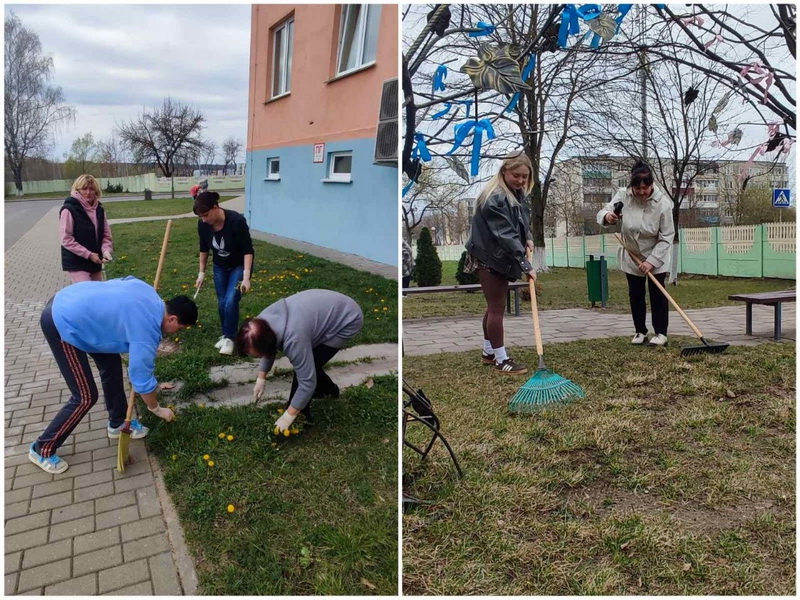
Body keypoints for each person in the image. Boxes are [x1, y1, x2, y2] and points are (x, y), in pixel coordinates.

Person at [29, 277, 198, 474]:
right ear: (172, 319)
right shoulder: (146, 332)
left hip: (74, 304)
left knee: (112, 366)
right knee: (85, 396)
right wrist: (156, 409)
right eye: (179, 328)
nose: (176, 332)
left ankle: (117, 423)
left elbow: (127, 280)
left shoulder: (149, 293)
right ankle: (42, 448)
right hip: (62, 321)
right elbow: (141, 379)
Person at [234, 289, 364, 432]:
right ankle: (328, 390)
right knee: (308, 364)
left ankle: (303, 416)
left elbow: (307, 382)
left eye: (258, 355)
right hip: (321, 309)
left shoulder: (294, 339)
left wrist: (288, 416)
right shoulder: (258, 326)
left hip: (347, 319)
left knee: (308, 367)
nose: (259, 358)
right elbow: (268, 349)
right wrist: (261, 377)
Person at [464, 151, 536, 375]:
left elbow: (521, 222)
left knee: (494, 306)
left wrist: (529, 238)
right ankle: (501, 359)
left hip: (498, 256)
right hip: (488, 257)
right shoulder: (494, 197)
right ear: (504, 171)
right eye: (516, 175)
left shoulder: (516, 193)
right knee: (497, 308)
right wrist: (525, 264)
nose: (521, 181)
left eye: (525, 177)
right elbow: (504, 233)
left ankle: (488, 352)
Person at [597, 160, 675, 347]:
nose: (641, 192)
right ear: (631, 185)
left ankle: (661, 333)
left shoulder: (663, 204)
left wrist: (652, 261)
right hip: (632, 254)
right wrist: (608, 217)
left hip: (656, 253)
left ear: (651, 185)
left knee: (658, 294)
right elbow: (603, 213)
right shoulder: (623, 196)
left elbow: (667, 237)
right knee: (636, 293)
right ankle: (640, 331)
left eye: (645, 188)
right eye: (637, 188)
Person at [193, 191, 255, 355]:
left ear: (215, 207)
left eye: (206, 215)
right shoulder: (203, 225)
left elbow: (248, 251)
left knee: (231, 301)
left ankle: (230, 338)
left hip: (239, 266)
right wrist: (201, 273)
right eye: (200, 216)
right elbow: (204, 249)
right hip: (219, 266)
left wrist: (246, 277)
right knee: (222, 303)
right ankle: (226, 334)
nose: (204, 219)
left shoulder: (236, 221)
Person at [59, 174, 113, 283]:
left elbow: (106, 236)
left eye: (91, 189)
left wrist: (106, 251)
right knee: (86, 292)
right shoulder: (69, 209)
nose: (88, 192)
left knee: (97, 293)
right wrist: (88, 254)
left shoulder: (100, 210)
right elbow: (66, 239)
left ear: (96, 191)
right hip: (77, 262)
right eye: (84, 189)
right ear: (77, 190)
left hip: (95, 262)